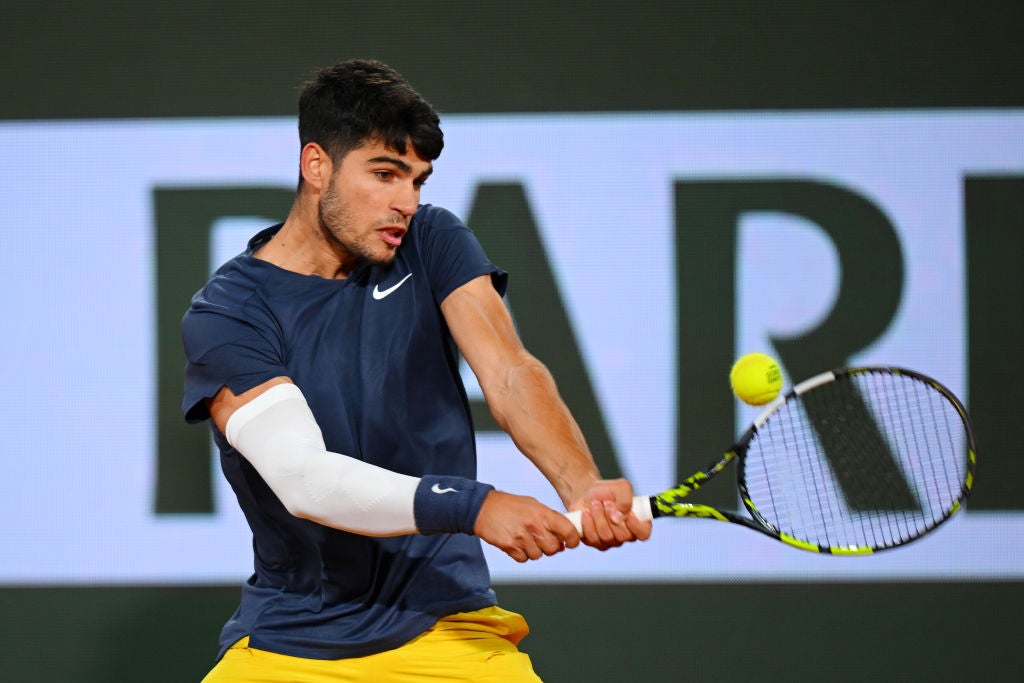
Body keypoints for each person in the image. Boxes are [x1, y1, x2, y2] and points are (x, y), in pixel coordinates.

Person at [181, 58, 651, 682]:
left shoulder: (431, 240)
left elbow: (509, 371)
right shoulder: (228, 313)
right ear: (316, 165)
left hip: (445, 626)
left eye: (417, 181)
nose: (406, 202)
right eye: (384, 174)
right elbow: (304, 480)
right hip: (291, 643)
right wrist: (473, 507)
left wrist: (581, 484)